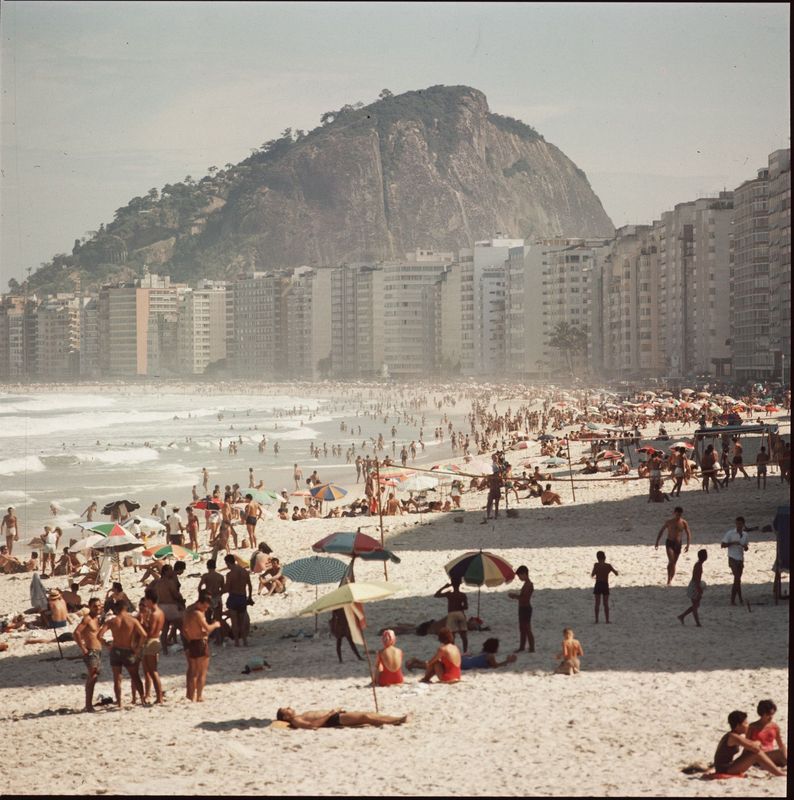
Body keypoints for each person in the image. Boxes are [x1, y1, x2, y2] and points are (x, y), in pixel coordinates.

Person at [98, 600, 147, 707]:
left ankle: (119, 702)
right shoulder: (132, 621)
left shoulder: (112, 621)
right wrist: (138, 647)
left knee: (117, 679)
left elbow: (99, 636)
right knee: (135, 676)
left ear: (116, 609)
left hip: (115, 650)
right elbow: (144, 635)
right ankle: (143, 699)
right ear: (125, 608)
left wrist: (107, 645)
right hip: (128, 650)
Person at [713, 710, 786, 776]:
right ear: (738, 726)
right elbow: (754, 747)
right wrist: (757, 743)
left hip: (727, 766)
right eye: (745, 723)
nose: (748, 726)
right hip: (724, 769)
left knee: (754, 752)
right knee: (757, 753)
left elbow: (750, 744)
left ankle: (777, 771)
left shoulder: (733, 735)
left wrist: (756, 743)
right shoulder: (734, 737)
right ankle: (779, 773)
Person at [183, 592, 221, 702]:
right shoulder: (198, 614)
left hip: (191, 642)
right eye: (205, 606)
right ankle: (199, 696)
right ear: (200, 603)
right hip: (200, 643)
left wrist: (190, 637)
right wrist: (215, 624)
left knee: (192, 671)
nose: (206, 608)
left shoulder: (188, 611)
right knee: (202, 672)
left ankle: (190, 695)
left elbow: (184, 628)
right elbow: (208, 629)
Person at [73, 597, 103, 712]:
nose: (98, 608)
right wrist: (83, 648)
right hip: (91, 652)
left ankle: (88, 704)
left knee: (93, 677)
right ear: (90, 607)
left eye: (99, 605)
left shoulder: (97, 619)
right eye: (95, 606)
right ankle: (89, 705)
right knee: (93, 677)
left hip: (98, 651)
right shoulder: (87, 619)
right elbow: (76, 633)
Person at [654, 506, 692, 585]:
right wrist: (657, 541)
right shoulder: (669, 522)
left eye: (680, 515)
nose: (678, 516)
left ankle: (671, 578)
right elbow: (661, 530)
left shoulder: (683, 522)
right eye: (677, 514)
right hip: (669, 543)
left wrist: (688, 545)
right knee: (671, 561)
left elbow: (688, 533)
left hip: (678, 544)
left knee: (674, 563)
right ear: (674, 513)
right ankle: (669, 579)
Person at [140, 587, 165, 704]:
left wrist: (143, 622)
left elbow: (150, 631)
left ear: (150, 600)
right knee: (149, 671)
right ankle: (155, 695)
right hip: (153, 641)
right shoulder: (159, 612)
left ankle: (159, 697)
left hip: (151, 642)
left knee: (153, 671)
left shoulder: (155, 614)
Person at [276, 707, 407, 729]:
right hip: (334, 719)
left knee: (368, 714)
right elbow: (312, 726)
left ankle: (394, 718)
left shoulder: (298, 716)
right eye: (286, 709)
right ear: (285, 716)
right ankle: (395, 721)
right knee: (366, 717)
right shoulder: (295, 720)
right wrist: (330, 714)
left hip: (335, 715)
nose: (289, 707)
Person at [748, 699, 788, 767]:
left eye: (772, 714)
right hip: (758, 755)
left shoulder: (774, 727)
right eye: (768, 714)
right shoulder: (752, 727)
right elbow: (747, 744)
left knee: (783, 749)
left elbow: (780, 744)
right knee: (781, 752)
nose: (771, 717)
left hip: (771, 755)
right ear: (762, 713)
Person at [223, 553, 252, 647]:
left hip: (233, 597)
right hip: (243, 597)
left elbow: (227, 588)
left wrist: (219, 592)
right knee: (242, 621)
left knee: (234, 622)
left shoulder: (230, 574)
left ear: (228, 563)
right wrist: (250, 597)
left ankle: (236, 642)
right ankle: (245, 641)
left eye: (226, 564)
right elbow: (250, 585)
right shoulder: (244, 571)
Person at [433, 578, 469, 653]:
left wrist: (445, 587)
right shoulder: (462, 595)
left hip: (451, 614)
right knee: (463, 636)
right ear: (460, 584)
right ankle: (465, 652)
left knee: (452, 635)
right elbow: (466, 607)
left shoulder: (449, 594)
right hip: (460, 613)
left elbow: (436, 595)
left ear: (452, 584)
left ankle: (453, 651)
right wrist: (460, 607)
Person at [721, 516, 749, 606]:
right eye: (737, 523)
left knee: (738, 580)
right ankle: (733, 600)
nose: (738, 525)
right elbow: (722, 545)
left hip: (740, 559)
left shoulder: (745, 535)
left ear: (743, 524)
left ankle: (740, 598)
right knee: (737, 578)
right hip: (732, 558)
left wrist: (745, 547)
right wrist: (733, 543)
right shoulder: (730, 533)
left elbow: (746, 548)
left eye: (740, 524)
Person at [677, 548, 708, 626]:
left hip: (694, 585)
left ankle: (682, 616)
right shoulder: (698, 566)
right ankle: (697, 623)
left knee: (696, 605)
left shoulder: (698, 564)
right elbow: (697, 579)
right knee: (695, 605)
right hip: (694, 586)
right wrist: (699, 589)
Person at [198, 559, 225, 644]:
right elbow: (223, 589)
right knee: (218, 619)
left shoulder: (205, 576)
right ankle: (219, 639)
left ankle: (207, 638)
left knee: (207, 619)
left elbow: (199, 587)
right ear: (215, 566)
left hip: (208, 598)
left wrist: (201, 595)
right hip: (217, 598)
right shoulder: (220, 576)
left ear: (207, 566)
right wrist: (219, 594)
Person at [508, 565, 534, 653]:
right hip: (523, 607)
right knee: (522, 628)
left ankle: (532, 647)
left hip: (526, 608)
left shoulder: (529, 585)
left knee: (527, 628)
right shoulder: (526, 584)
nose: (519, 578)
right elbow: (523, 597)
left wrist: (515, 596)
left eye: (520, 576)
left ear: (524, 574)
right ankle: (522, 647)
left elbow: (525, 598)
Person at [591, 550, 618, 624]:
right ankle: (607, 620)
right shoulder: (608, 566)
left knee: (597, 603)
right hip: (605, 585)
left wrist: (596, 573)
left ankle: (596, 620)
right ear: (605, 557)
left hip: (598, 584)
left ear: (597, 558)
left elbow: (592, 574)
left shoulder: (596, 565)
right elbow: (616, 573)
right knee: (605, 603)